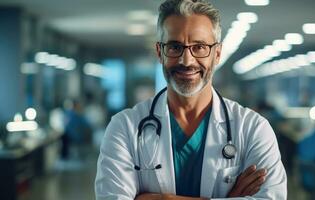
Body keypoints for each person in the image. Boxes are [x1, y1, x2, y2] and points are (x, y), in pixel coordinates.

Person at [95, 0, 287, 199]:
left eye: (200, 47)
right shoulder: (124, 127)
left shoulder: (252, 129)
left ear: (217, 53)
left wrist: (164, 199)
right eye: (175, 47)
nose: (186, 60)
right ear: (160, 52)